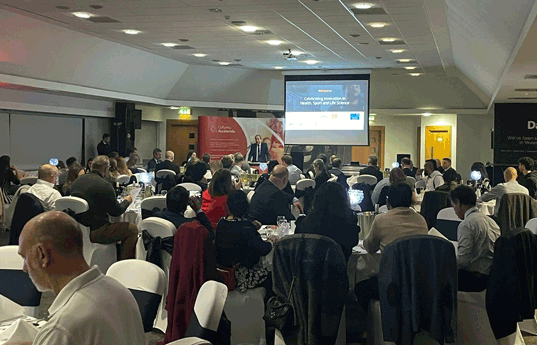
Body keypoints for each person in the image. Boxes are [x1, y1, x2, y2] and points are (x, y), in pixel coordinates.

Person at [18, 212, 145, 345]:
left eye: (25, 258)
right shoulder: (119, 291)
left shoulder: (63, 326)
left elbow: (65, 334)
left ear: (42, 254)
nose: (24, 268)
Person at [354, 182, 428, 313]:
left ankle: (370, 328)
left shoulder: (381, 220)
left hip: (391, 283)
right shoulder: (421, 220)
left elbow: (370, 248)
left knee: (361, 287)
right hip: (417, 282)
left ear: (388, 202)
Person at [70, 155, 138, 260]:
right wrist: (127, 201)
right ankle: (124, 263)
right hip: (97, 231)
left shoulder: (76, 183)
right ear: (105, 168)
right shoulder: (104, 185)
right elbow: (116, 211)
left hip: (78, 229)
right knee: (132, 229)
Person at [215, 189, 274, 292]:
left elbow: (236, 233)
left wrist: (252, 227)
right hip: (241, 276)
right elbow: (263, 249)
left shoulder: (221, 223)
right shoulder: (246, 228)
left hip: (223, 273)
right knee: (273, 276)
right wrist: (271, 240)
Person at [450, 185, 500, 292]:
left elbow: (463, 261)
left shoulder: (467, 224)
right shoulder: (490, 221)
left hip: (476, 277)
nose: (454, 211)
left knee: (436, 274)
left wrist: (443, 262)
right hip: (492, 273)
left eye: (454, 207)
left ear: (458, 203)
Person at [295, 182, 359, 261]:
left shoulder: (303, 224)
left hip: (307, 270)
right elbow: (354, 242)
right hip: (338, 269)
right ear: (344, 201)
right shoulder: (349, 224)